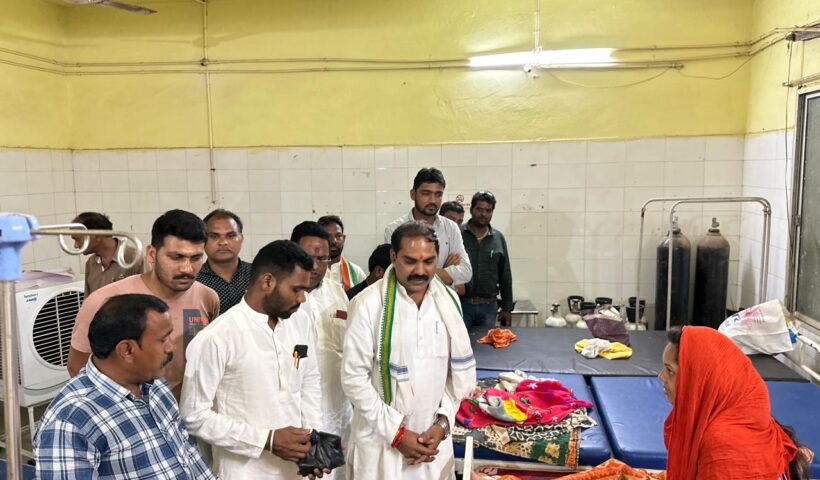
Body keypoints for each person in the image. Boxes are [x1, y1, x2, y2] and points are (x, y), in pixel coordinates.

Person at [181, 240, 328, 480]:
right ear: (267, 281)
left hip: (296, 470)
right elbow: (194, 416)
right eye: (296, 289)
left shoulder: (300, 321)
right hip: (245, 471)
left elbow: (309, 381)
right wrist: (267, 440)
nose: (303, 298)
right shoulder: (217, 337)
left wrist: (313, 442)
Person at [342, 222, 476, 479]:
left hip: (432, 445)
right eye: (410, 261)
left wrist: (442, 424)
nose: (420, 271)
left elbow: (455, 377)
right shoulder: (368, 305)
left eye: (429, 261)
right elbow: (353, 379)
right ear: (394, 256)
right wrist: (397, 434)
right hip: (381, 444)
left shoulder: (449, 302)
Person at [35, 294, 216, 480]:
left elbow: (189, 456)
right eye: (163, 340)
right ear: (127, 350)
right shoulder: (70, 422)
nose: (171, 347)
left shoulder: (155, 386)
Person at [68, 209, 219, 399]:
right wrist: (127, 409)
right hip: (128, 413)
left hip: (185, 411)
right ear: (151, 254)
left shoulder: (207, 298)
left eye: (196, 258)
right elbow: (77, 367)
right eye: (176, 257)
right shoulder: (104, 302)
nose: (187, 269)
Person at [659, 326, 813, 480]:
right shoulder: (743, 413)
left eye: (670, 371)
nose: (661, 376)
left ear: (698, 376)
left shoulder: (724, 449)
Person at [289, 221, 352, 477]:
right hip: (298, 412)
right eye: (308, 258)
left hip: (337, 407)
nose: (315, 266)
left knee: (336, 473)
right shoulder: (281, 299)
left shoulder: (337, 293)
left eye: (322, 259)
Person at [384, 167, 472, 287]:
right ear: (413, 194)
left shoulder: (451, 227)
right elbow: (396, 274)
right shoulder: (394, 229)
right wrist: (444, 271)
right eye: (426, 194)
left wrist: (419, 272)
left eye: (438, 194)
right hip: (406, 297)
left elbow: (466, 272)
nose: (432, 200)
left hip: (443, 298)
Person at [460, 191, 514, 327]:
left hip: (489, 308)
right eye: (479, 209)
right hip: (461, 305)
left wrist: (507, 308)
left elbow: (505, 275)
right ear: (471, 210)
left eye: (488, 210)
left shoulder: (498, 238)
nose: (483, 214)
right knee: (459, 340)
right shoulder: (458, 234)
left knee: (487, 341)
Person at [71, 212, 144, 296]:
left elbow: (148, 298)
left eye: (77, 239)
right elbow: (88, 300)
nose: (76, 246)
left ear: (96, 236)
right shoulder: (91, 263)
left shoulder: (134, 259)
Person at [197, 209, 252, 312]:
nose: (223, 242)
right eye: (214, 236)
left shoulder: (258, 274)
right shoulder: (193, 280)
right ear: (203, 240)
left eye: (231, 236)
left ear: (241, 238)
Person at [318, 215, 366, 292]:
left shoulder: (356, 272)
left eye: (338, 236)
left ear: (343, 239)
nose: (334, 241)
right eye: (327, 236)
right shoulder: (310, 271)